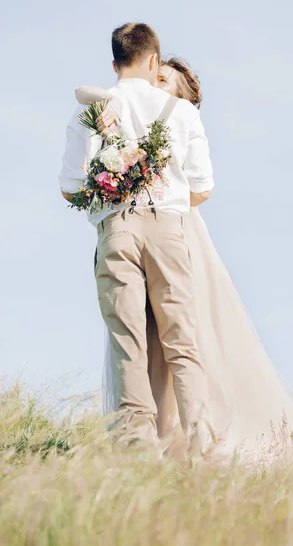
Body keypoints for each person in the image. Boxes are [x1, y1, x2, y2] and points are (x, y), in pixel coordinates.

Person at [75, 57, 293, 459]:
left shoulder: (178, 122)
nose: (153, 85)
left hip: (179, 231)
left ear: (180, 97)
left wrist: (160, 192)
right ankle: (158, 436)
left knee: (184, 335)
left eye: (163, 81)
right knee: (142, 338)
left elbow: (199, 187)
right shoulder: (122, 118)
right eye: (154, 77)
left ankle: (195, 435)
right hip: (142, 227)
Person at [59, 23, 215, 456]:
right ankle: (200, 440)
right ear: (153, 61)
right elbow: (202, 187)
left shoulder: (87, 113)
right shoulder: (182, 113)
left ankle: (138, 446)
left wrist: (109, 187)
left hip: (116, 231)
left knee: (128, 340)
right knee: (181, 340)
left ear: (114, 64)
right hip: (168, 229)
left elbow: (70, 187)